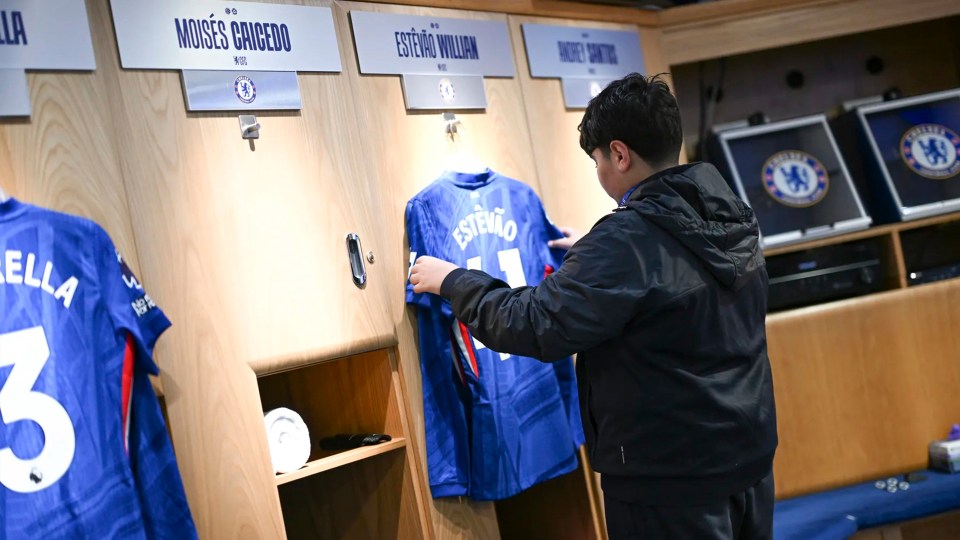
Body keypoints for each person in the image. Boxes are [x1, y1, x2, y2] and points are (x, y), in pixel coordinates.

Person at [410, 73, 777, 539]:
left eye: (599, 159)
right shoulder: (726, 212)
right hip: (747, 461)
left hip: (669, 481)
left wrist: (453, 281)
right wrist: (600, 261)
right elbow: (679, 284)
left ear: (620, 154)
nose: (601, 172)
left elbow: (534, 323)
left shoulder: (626, 242)